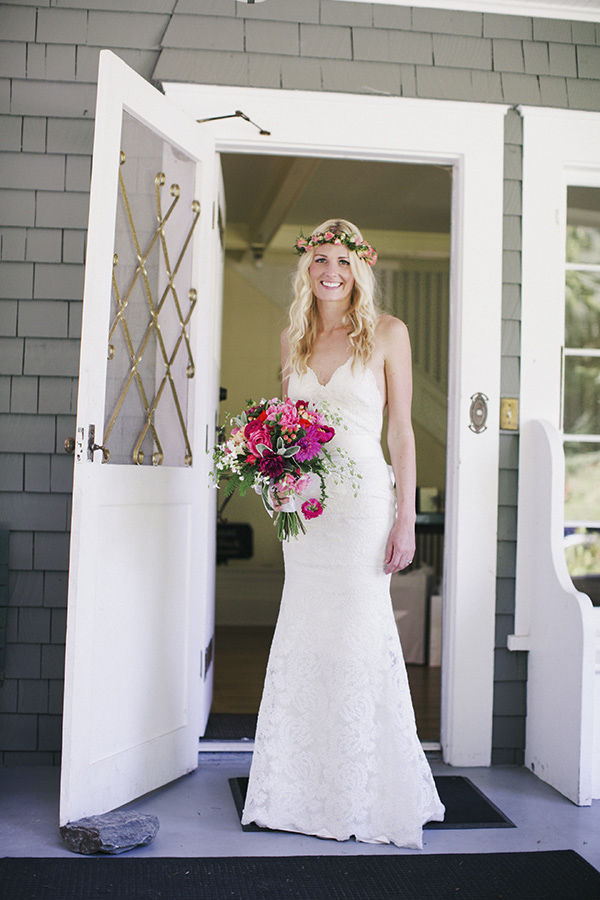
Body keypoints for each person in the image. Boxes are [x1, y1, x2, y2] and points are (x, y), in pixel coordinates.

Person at [241, 219, 444, 848]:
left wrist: (404, 515)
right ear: (307, 268)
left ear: (361, 268)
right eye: (321, 259)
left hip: (361, 507)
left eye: (343, 260)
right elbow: (282, 425)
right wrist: (274, 475)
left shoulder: (388, 334)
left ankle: (364, 791)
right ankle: (295, 791)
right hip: (305, 512)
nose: (331, 270)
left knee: (359, 635)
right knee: (304, 633)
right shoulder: (292, 339)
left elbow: (402, 433)